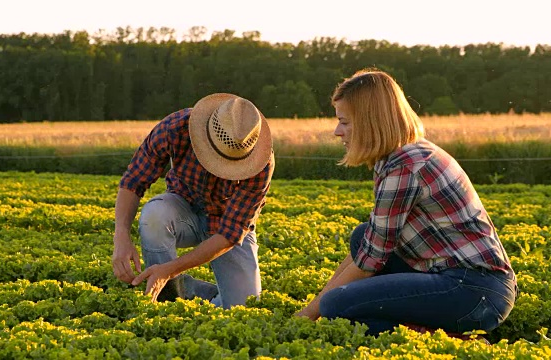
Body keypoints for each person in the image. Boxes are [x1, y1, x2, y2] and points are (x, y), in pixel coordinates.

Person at [295, 69, 517, 339]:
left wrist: (310, 312)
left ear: (369, 122)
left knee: (336, 306)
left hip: (474, 292)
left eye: (345, 122)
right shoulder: (395, 157)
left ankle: (451, 338)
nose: (337, 132)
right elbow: (370, 248)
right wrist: (317, 304)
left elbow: (368, 265)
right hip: (466, 283)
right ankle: (435, 328)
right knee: (360, 238)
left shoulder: (405, 166)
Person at [112, 93, 275, 309]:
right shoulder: (176, 128)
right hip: (182, 209)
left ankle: (188, 289)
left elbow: (230, 233)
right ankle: (167, 295)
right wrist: (121, 235)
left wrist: (171, 269)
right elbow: (134, 180)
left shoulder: (260, 164)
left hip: (224, 225)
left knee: (242, 306)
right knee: (154, 216)